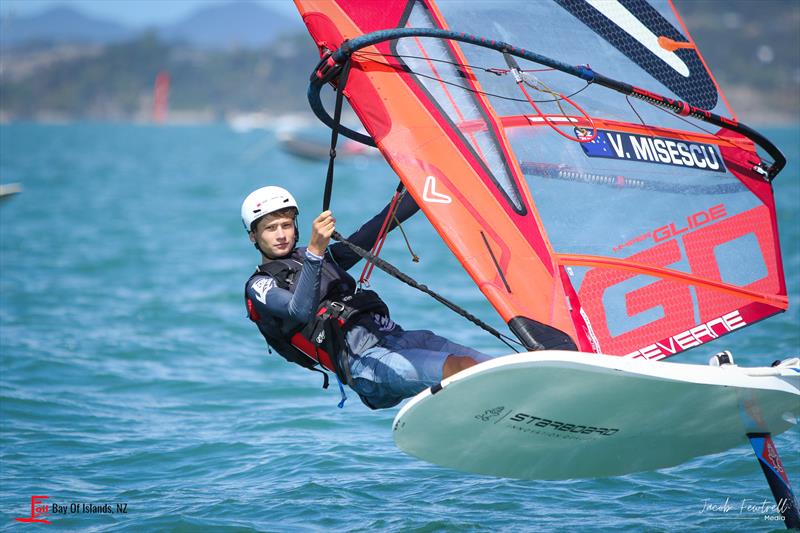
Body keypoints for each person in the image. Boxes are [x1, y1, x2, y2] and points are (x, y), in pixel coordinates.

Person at [242, 186, 491, 409]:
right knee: (460, 368)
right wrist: (316, 252)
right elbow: (299, 310)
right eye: (270, 228)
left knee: (490, 367)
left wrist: (424, 183)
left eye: (286, 225)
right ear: (254, 236)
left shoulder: (321, 260)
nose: (281, 235)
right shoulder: (261, 284)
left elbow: (379, 226)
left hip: (396, 338)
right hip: (365, 364)